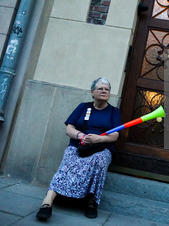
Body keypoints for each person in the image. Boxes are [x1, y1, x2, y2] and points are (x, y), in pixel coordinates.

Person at [36, 77, 121, 220]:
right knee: (68, 158)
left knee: (100, 161)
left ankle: (91, 202)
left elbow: (115, 135)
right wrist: (82, 136)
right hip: (78, 145)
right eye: (100, 88)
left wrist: (98, 138)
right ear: (92, 92)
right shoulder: (83, 107)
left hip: (101, 148)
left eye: (107, 89)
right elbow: (69, 128)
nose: (104, 91)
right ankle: (47, 202)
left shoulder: (114, 112)